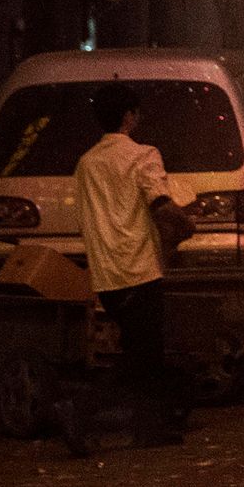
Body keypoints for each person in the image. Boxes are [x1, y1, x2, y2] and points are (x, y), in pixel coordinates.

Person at [62, 82, 190, 453]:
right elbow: (161, 204)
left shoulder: (86, 164)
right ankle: (81, 409)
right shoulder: (144, 156)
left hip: (105, 274)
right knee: (143, 356)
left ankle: (148, 428)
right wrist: (184, 228)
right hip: (139, 268)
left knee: (141, 352)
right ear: (129, 116)